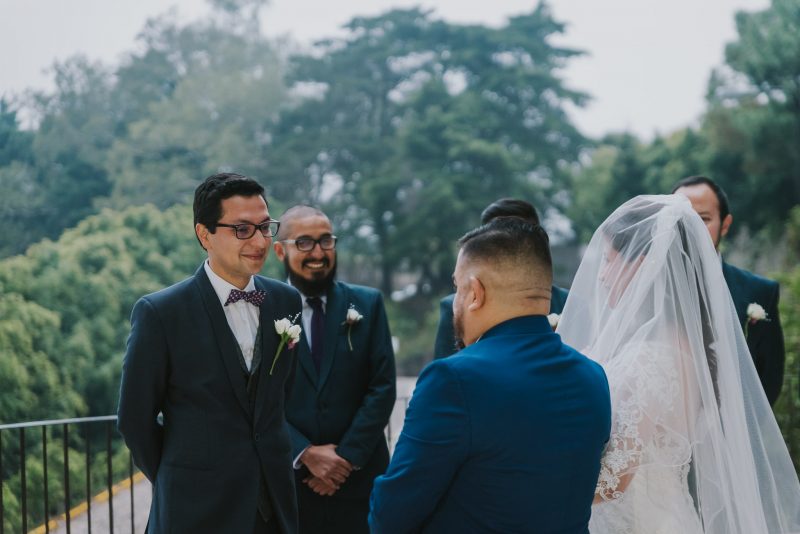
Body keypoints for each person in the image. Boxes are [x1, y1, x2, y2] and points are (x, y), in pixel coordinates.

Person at [557, 195, 800, 533]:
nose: (601, 276)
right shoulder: (686, 346)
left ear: (643, 265)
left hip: (632, 521)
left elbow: (616, 478)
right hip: (665, 513)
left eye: (609, 260)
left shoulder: (650, 358)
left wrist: (544, 486)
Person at [369, 218, 611, 533]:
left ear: (474, 292)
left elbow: (390, 515)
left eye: (457, 287)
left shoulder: (453, 379)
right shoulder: (593, 377)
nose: (455, 301)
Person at [117, 173, 302, 534]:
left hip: (274, 508)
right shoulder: (160, 312)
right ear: (205, 234)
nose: (260, 241)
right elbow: (134, 420)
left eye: (266, 228)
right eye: (242, 229)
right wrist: (180, 477)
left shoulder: (285, 299)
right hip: (195, 512)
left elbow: (282, 398)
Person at [273, 205, 396, 534]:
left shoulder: (367, 304)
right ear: (279, 251)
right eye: (304, 243)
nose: (318, 252)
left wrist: (345, 459)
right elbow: (254, 397)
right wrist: (304, 453)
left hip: (359, 481)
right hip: (291, 485)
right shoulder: (261, 309)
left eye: (326, 241)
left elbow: (382, 387)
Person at [671, 175, 785, 405]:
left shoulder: (760, 291)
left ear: (725, 224)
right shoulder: (651, 290)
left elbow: (769, 379)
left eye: (703, 218)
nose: (691, 226)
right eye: (682, 218)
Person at [433, 198, 569, 358]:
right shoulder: (454, 307)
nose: (514, 244)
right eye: (501, 239)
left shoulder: (571, 303)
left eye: (523, 236)